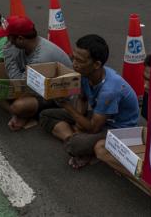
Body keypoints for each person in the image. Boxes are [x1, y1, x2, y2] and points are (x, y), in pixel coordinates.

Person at [39, 34, 140, 169]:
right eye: (73, 57)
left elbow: (93, 128)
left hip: (118, 128)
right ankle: (77, 141)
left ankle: (79, 145)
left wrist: (66, 106)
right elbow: (82, 98)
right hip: (97, 117)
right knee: (45, 115)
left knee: (76, 144)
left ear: (96, 64)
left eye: (79, 61)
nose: (74, 64)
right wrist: (79, 124)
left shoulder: (109, 89)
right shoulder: (85, 74)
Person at [93, 54, 151, 209]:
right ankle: (148, 186)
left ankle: (147, 184)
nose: (145, 86)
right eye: (145, 78)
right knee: (102, 147)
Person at [0, 15, 72, 130]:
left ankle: (24, 115)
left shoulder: (41, 57)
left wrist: (7, 54)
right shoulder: (24, 44)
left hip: (58, 97)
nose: (6, 42)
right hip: (37, 86)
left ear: (20, 38)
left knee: (17, 106)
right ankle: (21, 116)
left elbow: (19, 85)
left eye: (8, 38)